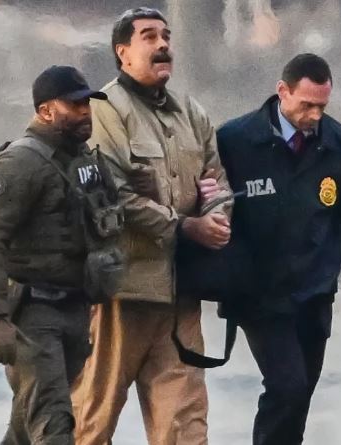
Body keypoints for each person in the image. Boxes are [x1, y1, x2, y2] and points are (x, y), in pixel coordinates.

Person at [70, 7, 232, 445]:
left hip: (181, 294)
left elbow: (218, 181)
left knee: (185, 428)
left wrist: (216, 217)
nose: (162, 45)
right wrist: (185, 227)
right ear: (122, 52)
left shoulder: (191, 113)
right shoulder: (105, 110)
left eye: (166, 36)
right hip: (122, 292)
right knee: (92, 419)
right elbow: (112, 194)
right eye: (148, 37)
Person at [216, 53, 341, 445]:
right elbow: (208, 208)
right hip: (258, 293)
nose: (315, 115)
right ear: (283, 91)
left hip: (314, 292)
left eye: (322, 107)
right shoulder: (235, 141)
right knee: (287, 387)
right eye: (307, 105)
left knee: (300, 395)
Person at [0, 65, 123, 445]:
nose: (85, 112)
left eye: (87, 104)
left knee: (26, 428)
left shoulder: (84, 160)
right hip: (33, 314)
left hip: (75, 308)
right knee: (53, 425)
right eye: (74, 105)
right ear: (46, 110)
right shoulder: (21, 163)